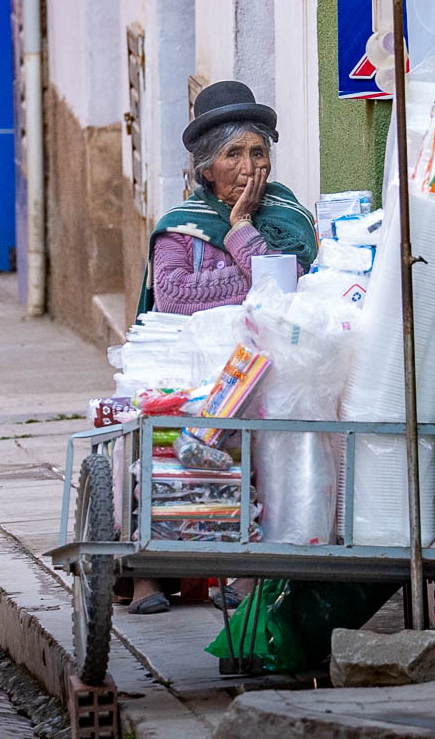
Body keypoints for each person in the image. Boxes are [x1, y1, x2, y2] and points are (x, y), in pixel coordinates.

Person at [128, 81, 318, 615]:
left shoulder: (286, 216)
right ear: (207, 168)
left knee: (271, 427)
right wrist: (247, 275)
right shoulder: (180, 227)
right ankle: (152, 572)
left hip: (265, 362)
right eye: (233, 154)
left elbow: (286, 284)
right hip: (194, 364)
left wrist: (239, 231)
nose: (248, 166)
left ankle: (251, 570)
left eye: (258, 153)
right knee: (162, 434)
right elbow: (174, 295)